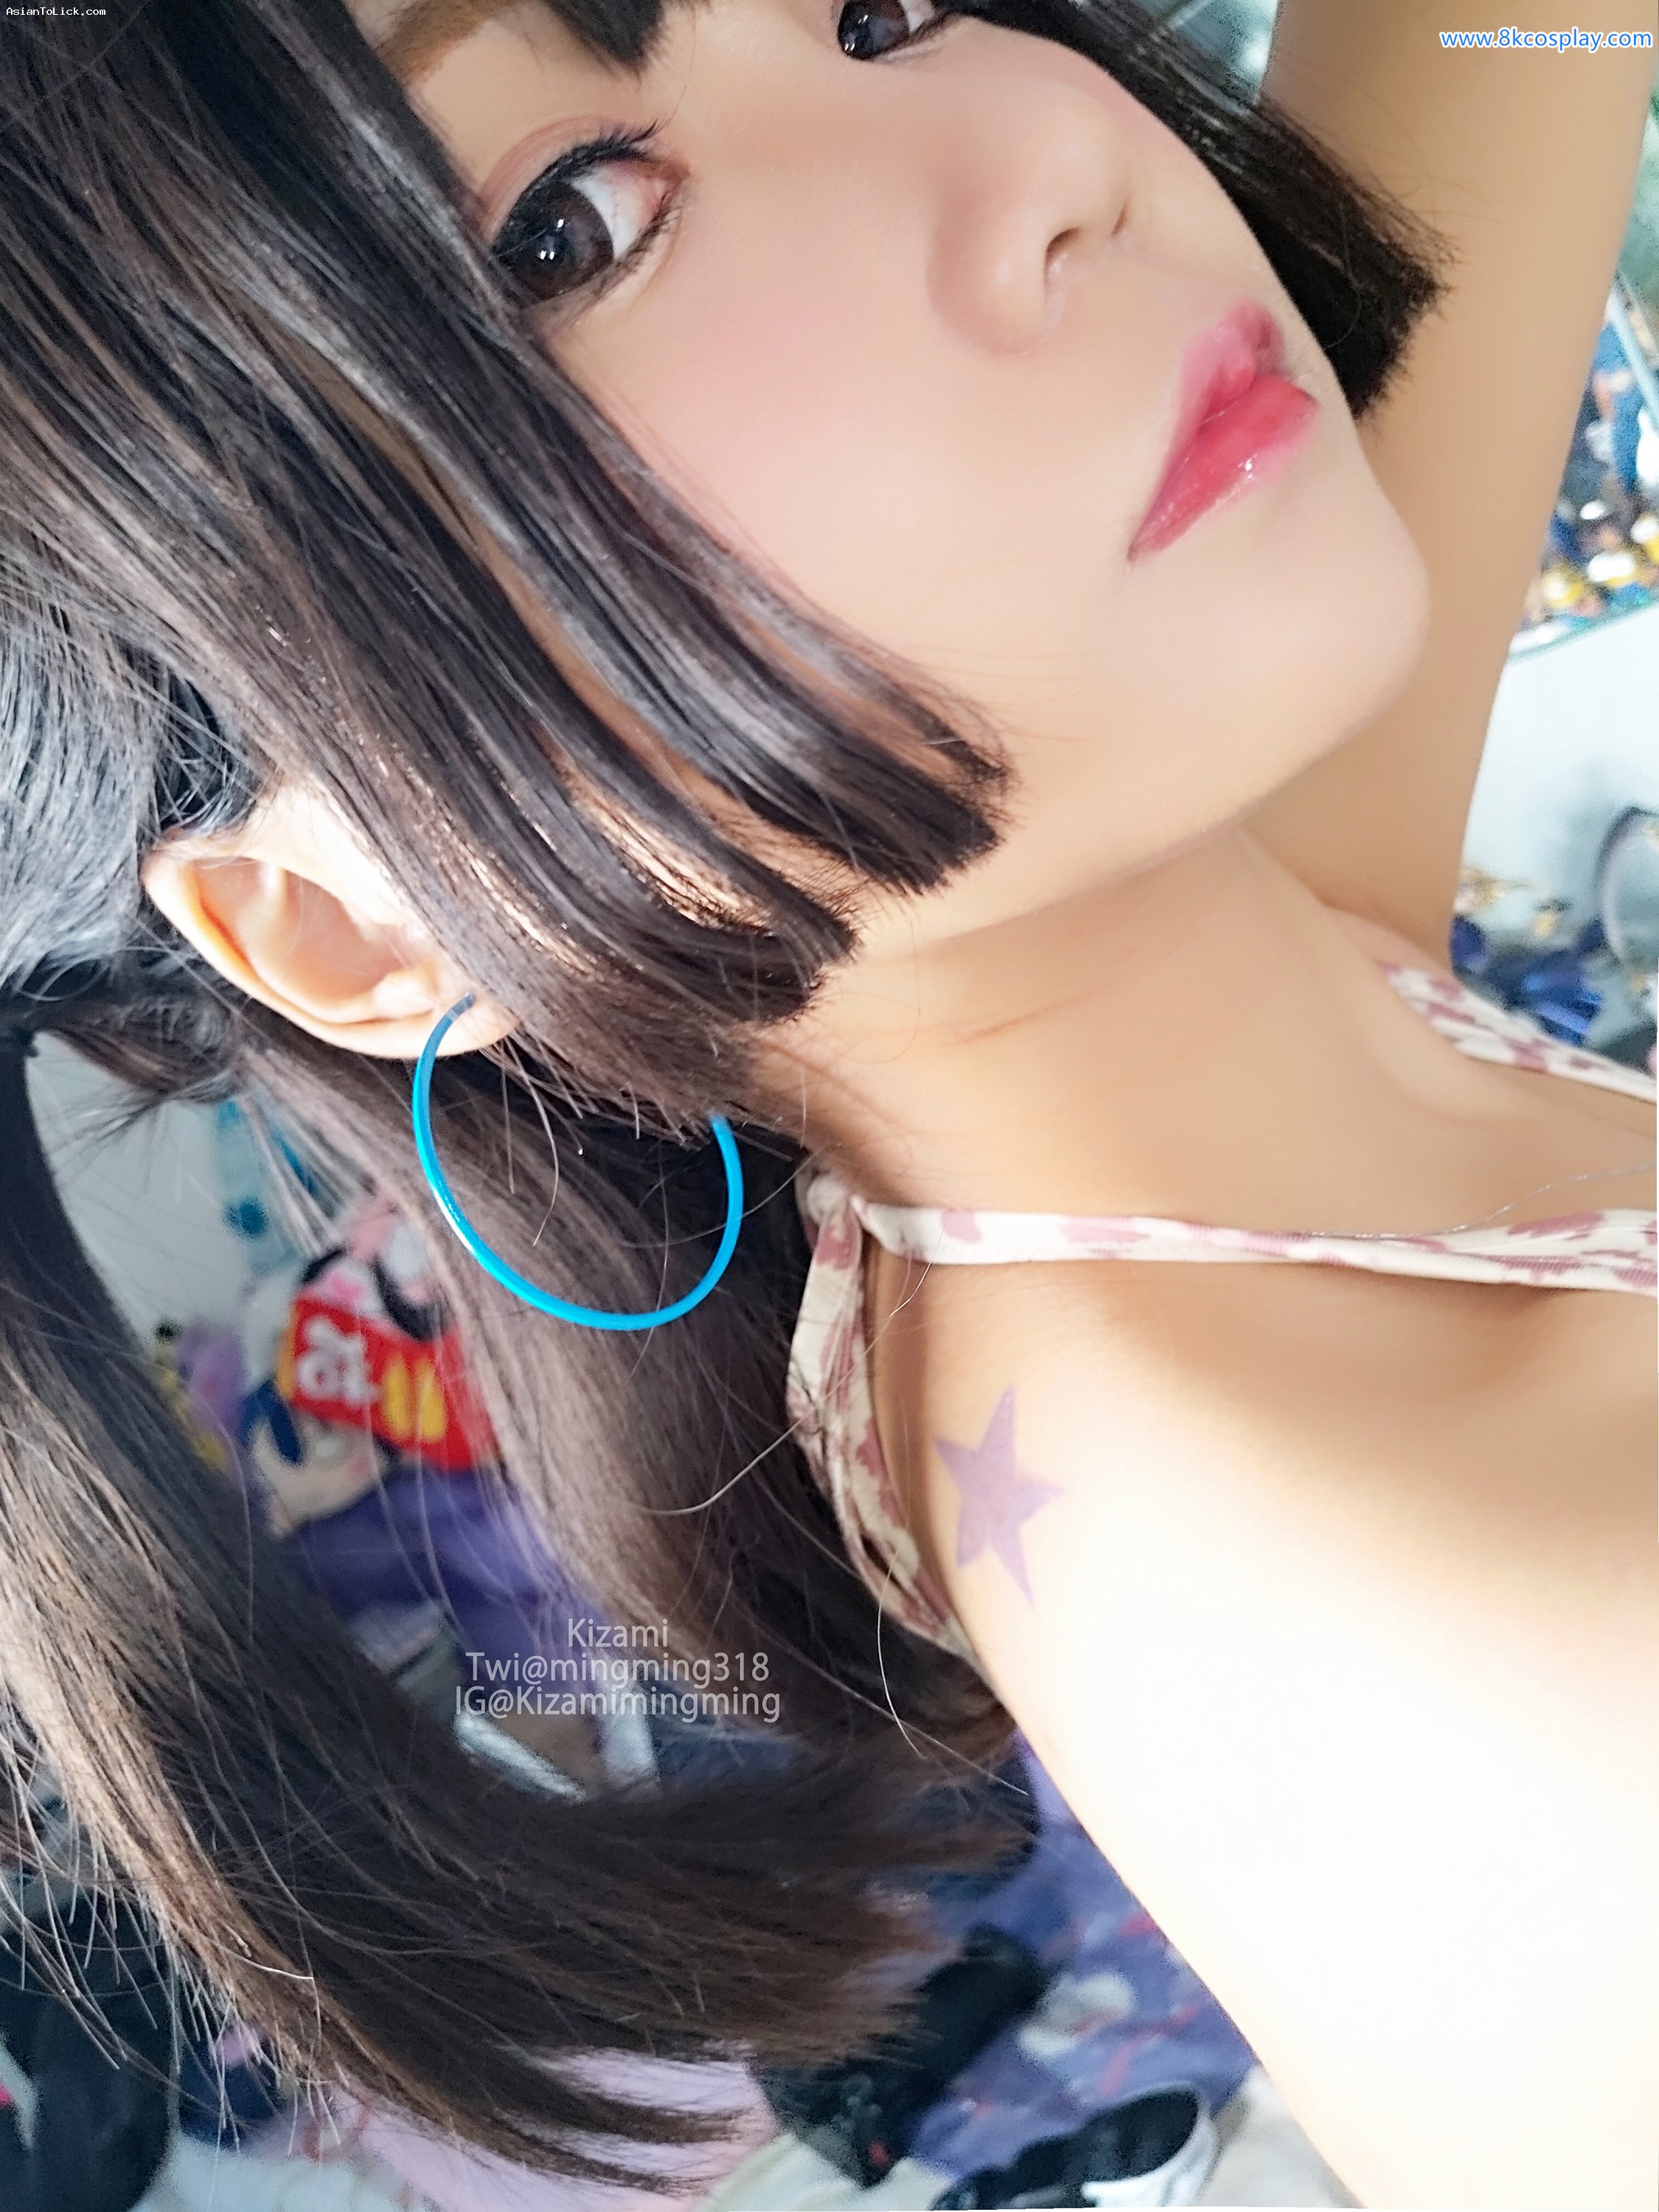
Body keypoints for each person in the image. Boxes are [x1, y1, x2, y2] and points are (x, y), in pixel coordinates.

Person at [0, 1, 1653, 2207]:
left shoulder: (1194, 1002)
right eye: (571, 225)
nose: (1048, 158)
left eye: (879, 8)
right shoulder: (1503, 1672)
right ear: (357, 923)